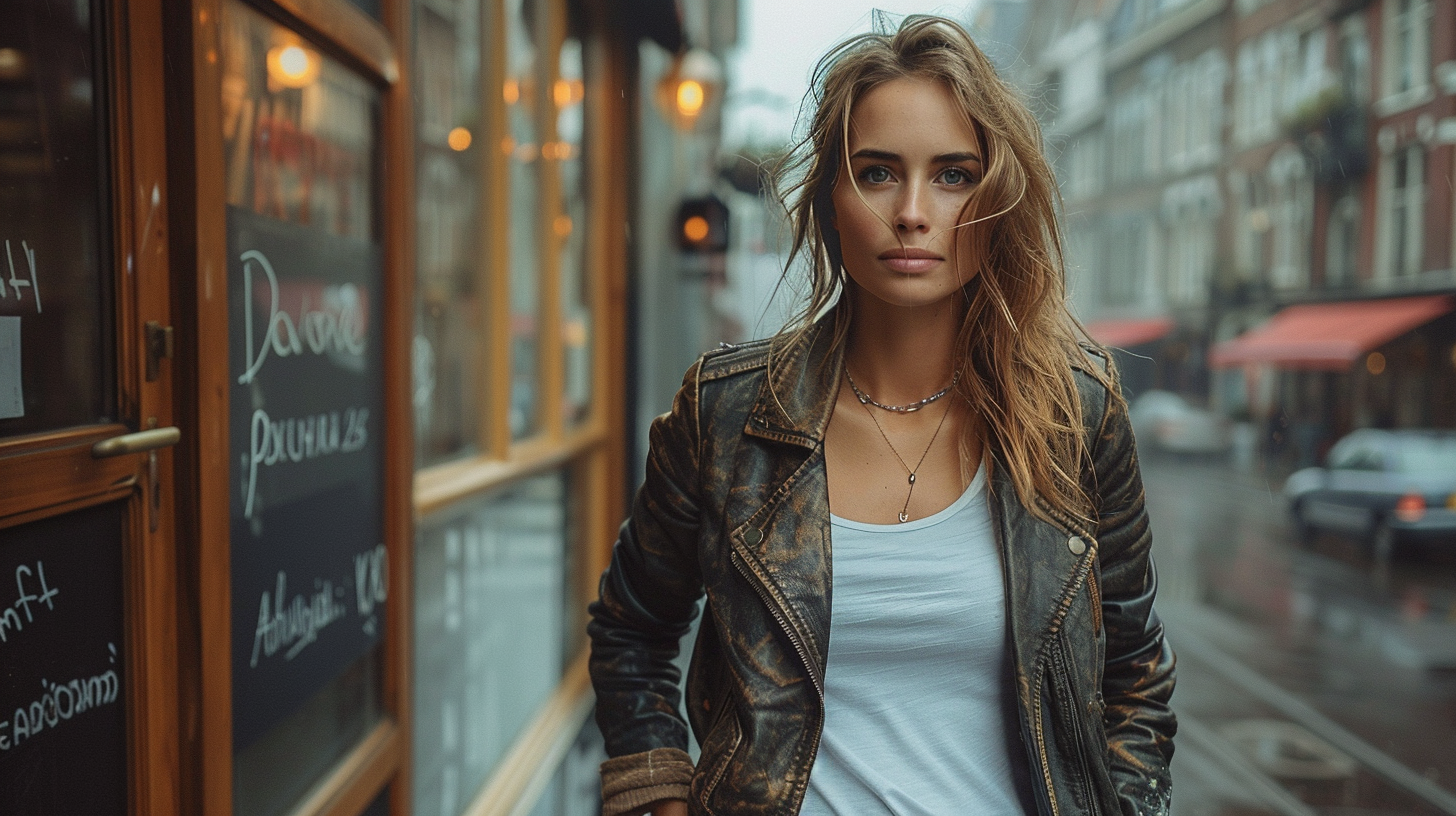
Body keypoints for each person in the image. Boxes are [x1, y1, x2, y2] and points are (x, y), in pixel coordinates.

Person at [588, 14, 1175, 816]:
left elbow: (1136, 672)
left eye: (954, 174)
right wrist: (661, 799)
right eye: (876, 172)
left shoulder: (1075, 415)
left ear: (997, 197)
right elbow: (632, 629)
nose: (911, 211)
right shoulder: (725, 415)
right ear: (831, 198)